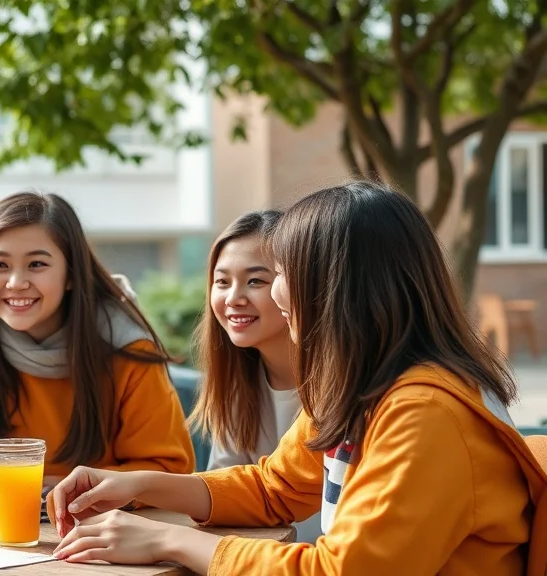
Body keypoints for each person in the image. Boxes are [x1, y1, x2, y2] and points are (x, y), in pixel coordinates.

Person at [48, 181, 547, 574]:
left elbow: (341, 572)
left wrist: (169, 539)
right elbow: (275, 488)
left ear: (339, 290)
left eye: (279, 272)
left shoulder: (426, 414)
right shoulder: (364, 385)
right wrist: (138, 484)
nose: (276, 293)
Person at [0, 190, 195, 527]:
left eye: (37, 264)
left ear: (72, 274)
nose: (16, 282)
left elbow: (168, 467)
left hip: (102, 533)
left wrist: (80, 489)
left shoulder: (127, 349)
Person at [188, 209, 320, 542]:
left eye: (256, 281)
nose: (233, 298)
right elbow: (225, 495)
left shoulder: (341, 386)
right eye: (222, 282)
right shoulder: (235, 385)